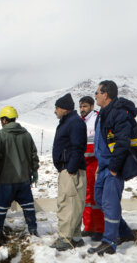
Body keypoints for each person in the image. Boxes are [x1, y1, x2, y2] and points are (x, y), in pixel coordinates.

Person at [87, 81, 137, 256]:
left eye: (97, 92)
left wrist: (114, 167)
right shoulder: (104, 113)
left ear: (106, 94)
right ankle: (125, 233)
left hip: (113, 166)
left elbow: (122, 142)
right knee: (99, 199)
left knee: (110, 203)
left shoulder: (119, 113)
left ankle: (109, 242)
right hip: (103, 166)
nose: (95, 95)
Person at [0, 106, 39, 241]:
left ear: (4, 120)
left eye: (1, 120)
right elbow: (33, 154)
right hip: (24, 179)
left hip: (5, 180)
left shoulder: (0, 136)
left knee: (0, 209)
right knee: (28, 207)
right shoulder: (26, 134)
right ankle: (33, 230)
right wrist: (34, 171)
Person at [50, 93, 88, 251]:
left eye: (56, 108)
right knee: (75, 203)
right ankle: (75, 236)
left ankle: (65, 238)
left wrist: (71, 168)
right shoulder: (70, 121)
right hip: (69, 168)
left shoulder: (73, 122)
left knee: (67, 203)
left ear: (63, 109)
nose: (55, 111)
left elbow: (77, 146)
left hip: (71, 170)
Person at [80, 95, 104, 241]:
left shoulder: (97, 119)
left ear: (92, 106)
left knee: (96, 196)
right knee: (86, 197)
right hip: (83, 165)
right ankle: (88, 226)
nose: (82, 109)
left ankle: (100, 229)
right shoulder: (80, 121)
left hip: (95, 163)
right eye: (81, 106)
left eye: (85, 106)